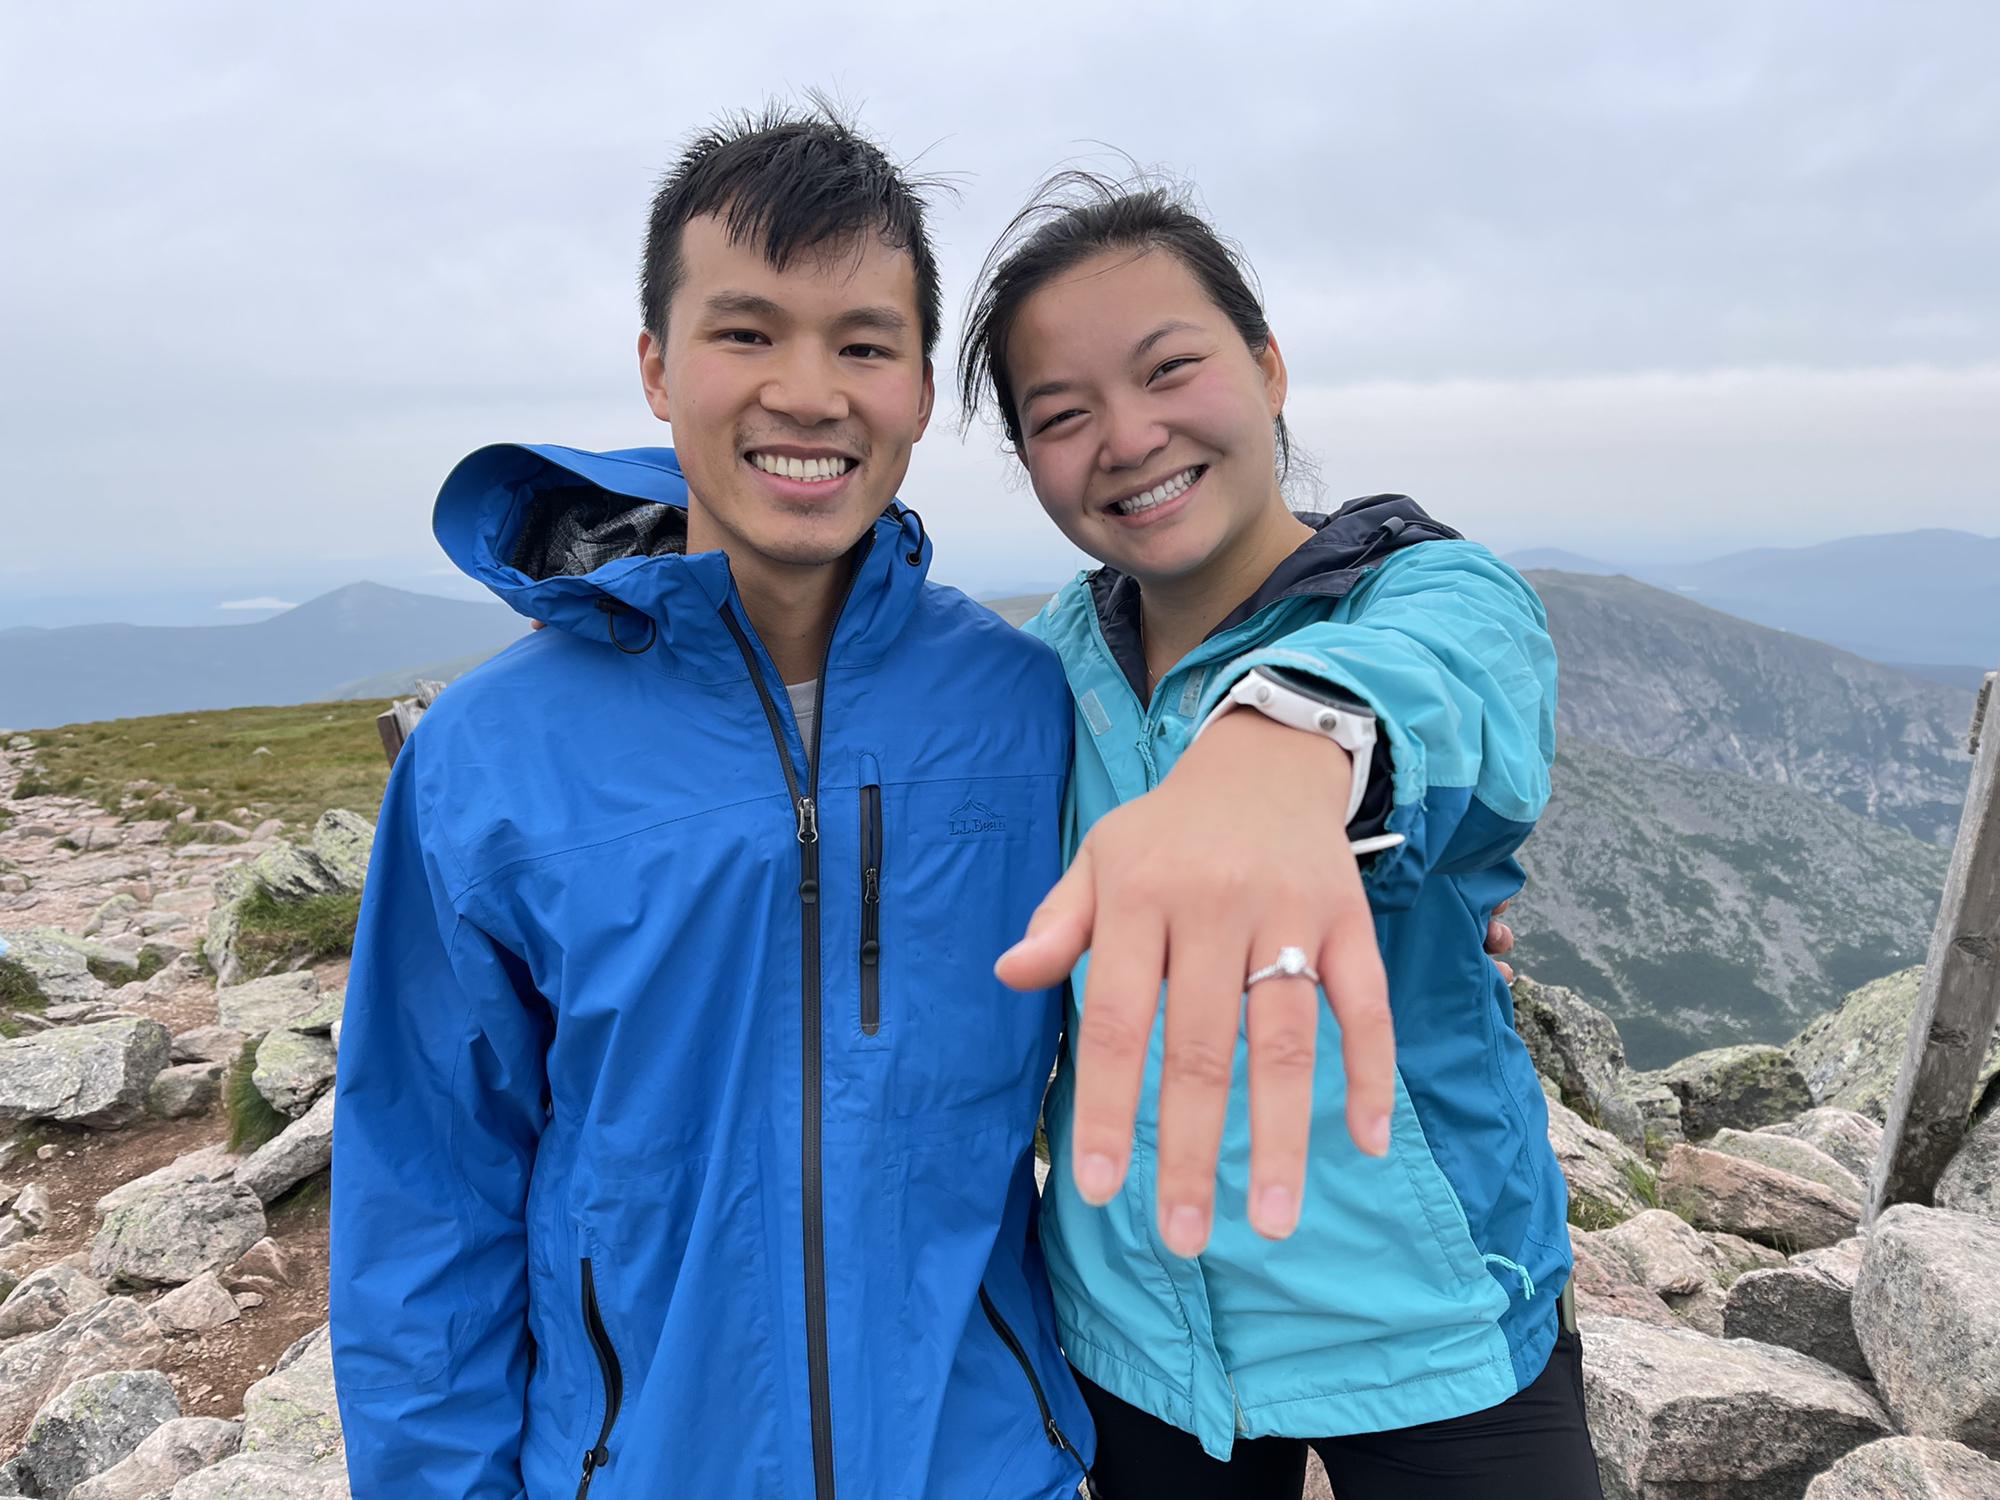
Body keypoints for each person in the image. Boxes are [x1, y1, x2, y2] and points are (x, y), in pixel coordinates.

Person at [330, 107, 1414, 1499]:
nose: (807, 391)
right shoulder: (489, 757)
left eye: (863, 344)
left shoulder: (1031, 709)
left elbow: (1198, 908)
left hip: (987, 1467)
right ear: (657, 368)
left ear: (915, 391)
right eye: (746, 334)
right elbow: (426, 1193)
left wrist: (1431, 903)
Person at [962, 177, 1602, 1498]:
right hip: (1136, 1340)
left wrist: (1289, 742)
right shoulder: (1048, 670)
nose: (1126, 437)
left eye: (1169, 369)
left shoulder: (1424, 586)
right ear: (1029, 463)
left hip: (1435, 1325)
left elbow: (1443, 676)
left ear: (1265, 365)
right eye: (1061, 415)